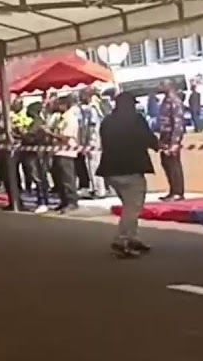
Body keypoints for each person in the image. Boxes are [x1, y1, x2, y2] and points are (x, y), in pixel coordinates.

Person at [96, 92, 157, 257]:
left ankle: (133, 237)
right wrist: (159, 146)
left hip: (110, 170)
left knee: (129, 206)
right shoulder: (136, 119)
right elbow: (147, 138)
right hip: (132, 168)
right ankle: (122, 239)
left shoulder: (107, 121)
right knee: (133, 207)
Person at [48, 94, 81, 213]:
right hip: (57, 151)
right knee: (59, 179)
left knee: (67, 179)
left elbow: (66, 138)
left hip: (66, 152)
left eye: (59, 104)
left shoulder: (70, 118)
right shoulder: (59, 118)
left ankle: (72, 202)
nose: (57, 106)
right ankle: (64, 201)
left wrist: (50, 133)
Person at [156, 80, 187, 201]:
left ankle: (178, 192)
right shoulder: (165, 100)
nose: (159, 87)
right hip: (164, 136)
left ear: (169, 86)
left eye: (161, 84)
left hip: (171, 137)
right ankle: (172, 190)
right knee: (166, 164)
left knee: (174, 164)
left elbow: (178, 124)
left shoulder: (175, 101)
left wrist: (175, 143)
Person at [77, 87, 108, 199]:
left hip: (94, 140)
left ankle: (100, 190)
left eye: (82, 95)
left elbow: (92, 127)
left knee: (94, 165)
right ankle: (93, 188)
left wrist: (90, 143)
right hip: (89, 140)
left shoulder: (93, 109)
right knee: (89, 165)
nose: (80, 98)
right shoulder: (88, 108)